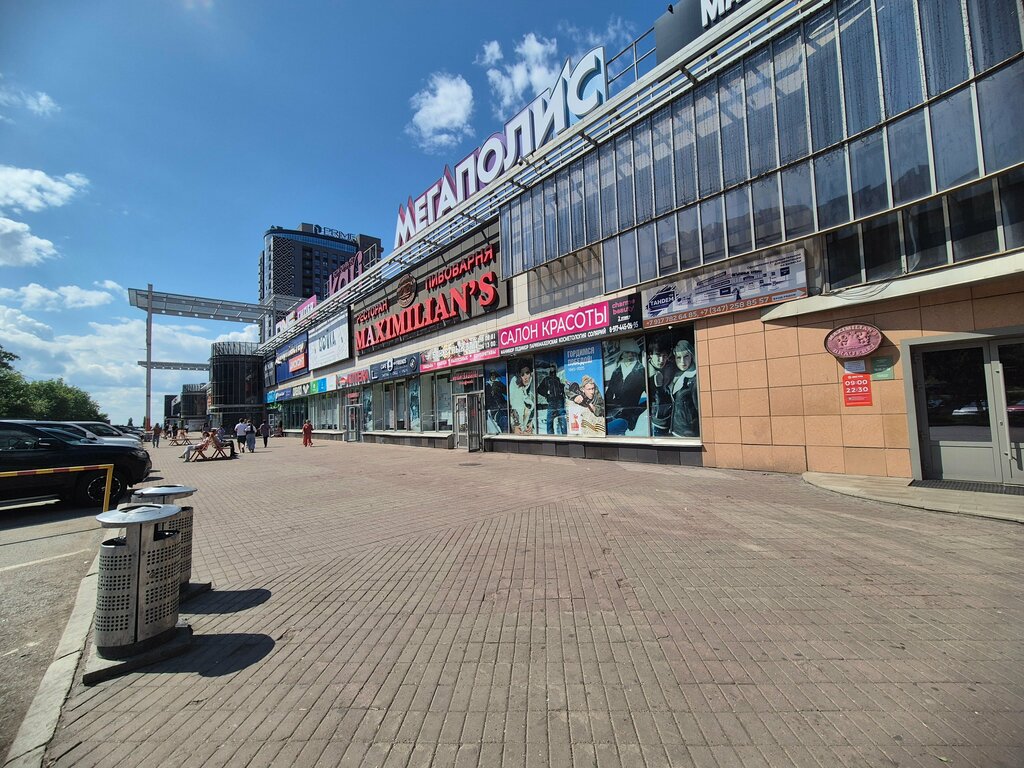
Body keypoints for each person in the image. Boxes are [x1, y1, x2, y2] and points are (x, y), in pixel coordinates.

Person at [605, 339, 646, 435]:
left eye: (633, 353)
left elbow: (652, 397)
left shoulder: (641, 372)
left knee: (608, 430)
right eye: (627, 352)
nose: (630, 355)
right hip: (614, 413)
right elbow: (609, 394)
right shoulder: (616, 372)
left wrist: (637, 412)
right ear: (622, 354)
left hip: (629, 418)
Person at [647, 336, 679, 437]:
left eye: (664, 356)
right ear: (650, 355)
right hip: (657, 423)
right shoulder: (644, 373)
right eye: (658, 355)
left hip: (675, 421)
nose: (661, 360)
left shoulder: (671, 367)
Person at [670, 340, 699, 437]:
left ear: (691, 356)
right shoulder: (675, 375)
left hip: (688, 433)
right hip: (675, 430)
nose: (682, 361)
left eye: (686, 356)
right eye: (678, 357)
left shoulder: (694, 379)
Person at [536, 365, 567, 435]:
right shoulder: (546, 379)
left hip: (559, 401)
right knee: (550, 420)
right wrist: (546, 394)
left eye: (553, 367)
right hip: (551, 402)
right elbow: (539, 389)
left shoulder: (558, 379)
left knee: (562, 419)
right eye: (551, 367)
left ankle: (565, 435)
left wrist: (562, 393)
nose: (552, 368)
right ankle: (550, 436)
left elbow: (562, 388)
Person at [508, 361, 535, 435]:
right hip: (519, 426)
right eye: (522, 375)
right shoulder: (516, 387)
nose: (525, 377)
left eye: (527, 373)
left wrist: (531, 424)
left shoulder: (533, 384)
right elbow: (515, 408)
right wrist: (518, 426)